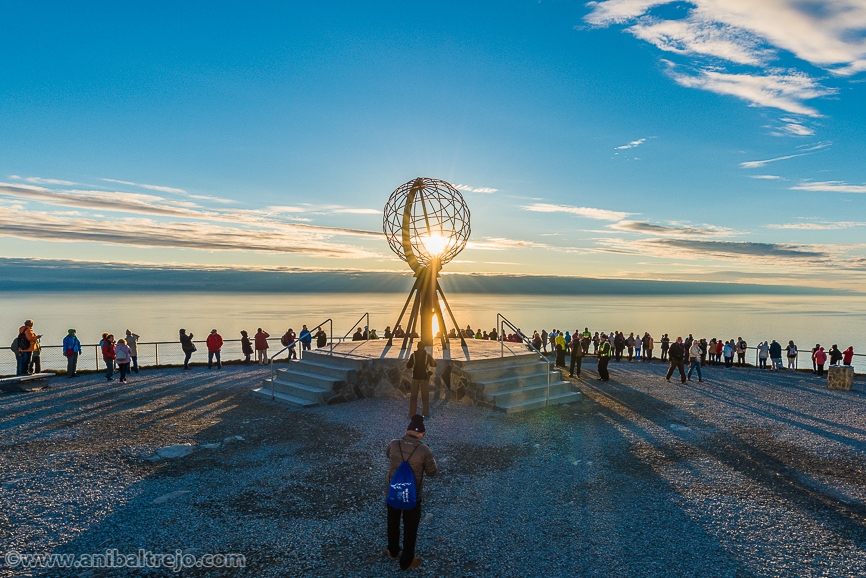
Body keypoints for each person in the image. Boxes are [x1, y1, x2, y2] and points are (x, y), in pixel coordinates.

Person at [385, 415, 437, 571]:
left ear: (406, 431)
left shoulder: (394, 444)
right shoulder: (424, 450)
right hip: (412, 497)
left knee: (392, 523)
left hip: (393, 493)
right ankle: (406, 562)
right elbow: (432, 472)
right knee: (410, 528)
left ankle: (393, 552)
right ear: (422, 434)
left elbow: (388, 455)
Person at [406, 342, 436, 417]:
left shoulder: (413, 356)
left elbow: (408, 366)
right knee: (425, 396)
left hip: (415, 377)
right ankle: (425, 413)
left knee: (413, 396)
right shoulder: (427, 356)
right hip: (424, 377)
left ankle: (412, 413)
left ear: (417, 347)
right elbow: (434, 364)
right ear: (424, 347)